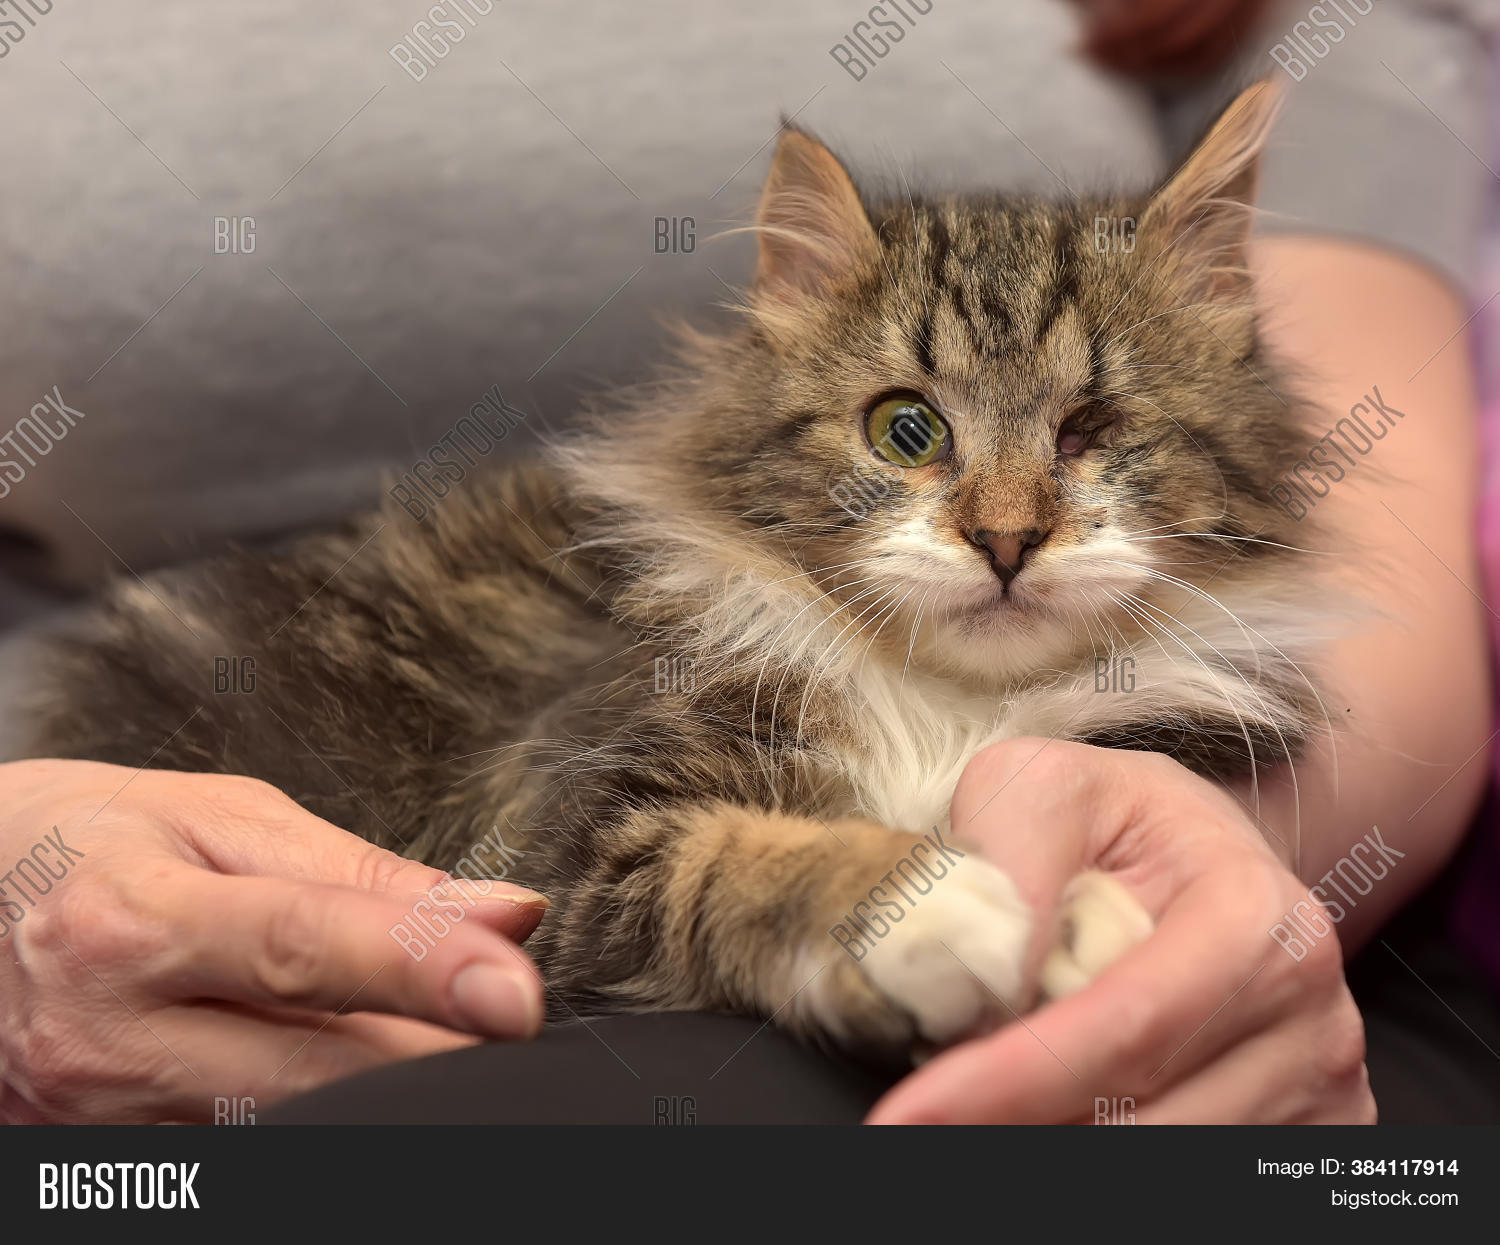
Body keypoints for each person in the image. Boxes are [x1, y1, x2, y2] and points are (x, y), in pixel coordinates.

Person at [1, 0, 1497, 1124]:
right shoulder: (708, 648)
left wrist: (1206, 880)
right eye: (911, 430)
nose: (1004, 516)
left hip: (1319, 925)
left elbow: (1401, 555)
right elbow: (597, 865)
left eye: (1091, 429)